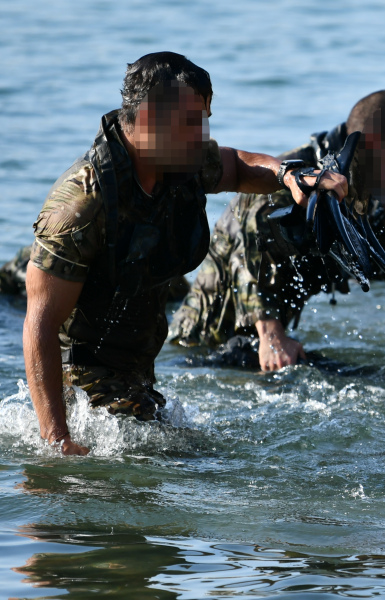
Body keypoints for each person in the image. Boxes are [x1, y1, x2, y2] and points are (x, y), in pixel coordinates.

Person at [23, 52, 348, 456]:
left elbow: (237, 166)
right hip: (82, 393)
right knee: (215, 464)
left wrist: (288, 174)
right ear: (146, 121)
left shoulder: (179, 159)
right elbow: (40, 323)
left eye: (204, 119)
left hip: (136, 379)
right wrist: (57, 442)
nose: (201, 134)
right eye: (190, 123)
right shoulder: (80, 204)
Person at [167, 90, 385, 371]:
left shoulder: (369, 185)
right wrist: (271, 333)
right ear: (369, 150)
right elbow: (249, 225)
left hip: (267, 337)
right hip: (206, 338)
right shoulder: (308, 174)